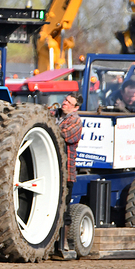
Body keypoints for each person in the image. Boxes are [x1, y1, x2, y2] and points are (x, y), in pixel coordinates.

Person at [56, 91, 83, 253]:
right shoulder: (55, 115)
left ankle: (63, 243)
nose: (64, 103)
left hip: (66, 171)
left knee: (63, 207)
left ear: (76, 108)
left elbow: (64, 135)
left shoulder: (75, 121)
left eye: (69, 102)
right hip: (54, 170)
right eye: (65, 100)